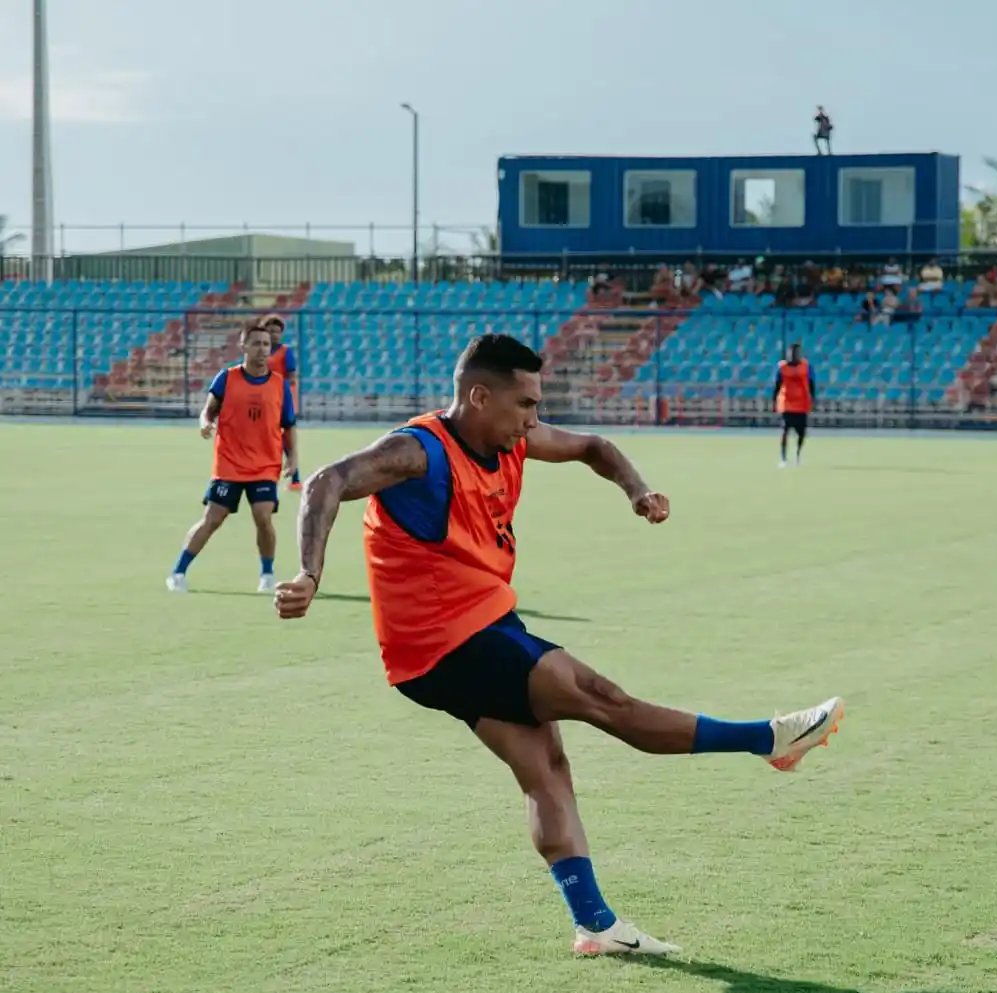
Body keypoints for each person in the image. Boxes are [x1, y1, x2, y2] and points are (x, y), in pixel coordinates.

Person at [273, 334, 844, 957]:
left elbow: (595, 446)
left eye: (538, 405)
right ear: (478, 396)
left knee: (547, 768)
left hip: (483, 625)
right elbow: (329, 480)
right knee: (602, 698)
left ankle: (594, 925)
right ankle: (768, 739)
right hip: (445, 641)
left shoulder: (514, 439)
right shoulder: (417, 452)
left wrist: (636, 490)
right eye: (524, 405)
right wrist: (309, 573)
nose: (534, 420)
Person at [167, 323, 297, 593]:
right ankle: (178, 572)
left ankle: (267, 574)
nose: (263, 349)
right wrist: (205, 423)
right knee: (213, 518)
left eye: (266, 344)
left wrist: (293, 458)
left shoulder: (279, 385)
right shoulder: (227, 378)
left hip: (264, 464)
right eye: (257, 343)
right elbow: (209, 410)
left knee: (263, 517)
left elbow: (288, 425)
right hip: (229, 464)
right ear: (243, 347)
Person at [261, 313, 303, 490]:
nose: (274, 335)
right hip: (265, 398)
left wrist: (275, 385)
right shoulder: (261, 350)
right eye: (270, 331)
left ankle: (295, 477)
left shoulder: (286, 351)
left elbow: (291, 377)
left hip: (282, 398)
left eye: (277, 331)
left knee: (285, 438)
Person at [773, 342, 816, 468]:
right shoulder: (782, 367)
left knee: (801, 432)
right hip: (786, 402)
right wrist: (774, 401)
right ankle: (783, 458)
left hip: (802, 403)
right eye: (791, 353)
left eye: (795, 353)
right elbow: (777, 385)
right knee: (784, 431)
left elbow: (812, 384)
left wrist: (812, 400)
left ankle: (798, 454)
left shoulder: (806, 367)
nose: (793, 355)